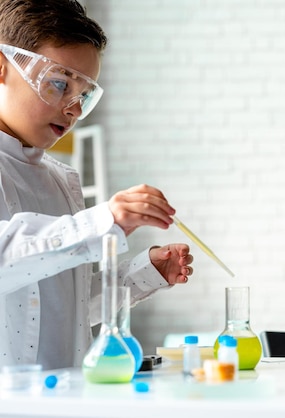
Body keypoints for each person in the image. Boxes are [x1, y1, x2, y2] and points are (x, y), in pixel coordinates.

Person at [0, 0, 194, 370]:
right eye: (58, 84)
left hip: (67, 399)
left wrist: (144, 272)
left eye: (83, 94)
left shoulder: (61, 178)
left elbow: (63, 307)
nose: (73, 108)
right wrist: (102, 220)